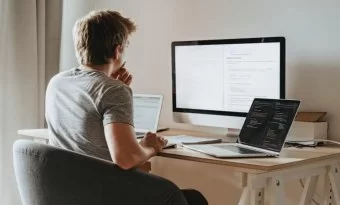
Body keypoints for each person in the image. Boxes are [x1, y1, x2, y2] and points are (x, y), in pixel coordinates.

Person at [45, 9, 208, 205]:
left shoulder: (57, 82)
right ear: (117, 50)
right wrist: (149, 147)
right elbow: (126, 158)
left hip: (69, 193)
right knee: (193, 199)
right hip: (104, 195)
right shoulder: (113, 90)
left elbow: (87, 129)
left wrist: (110, 84)